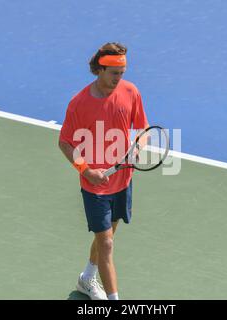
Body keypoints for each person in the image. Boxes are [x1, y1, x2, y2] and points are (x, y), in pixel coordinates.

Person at [59, 42, 148, 300]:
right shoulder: (79, 103)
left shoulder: (130, 92)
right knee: (107, 243)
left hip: (122, 180)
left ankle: (87, 277)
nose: (119, 79)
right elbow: (64, 142)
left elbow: (143, 129)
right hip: (95, 187)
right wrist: (86, 171)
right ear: (100, 69)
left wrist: (138, 147)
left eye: (122, 73)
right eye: (114, 73)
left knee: (108, 235)